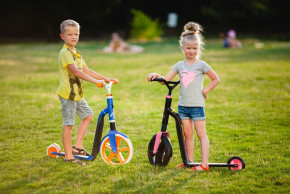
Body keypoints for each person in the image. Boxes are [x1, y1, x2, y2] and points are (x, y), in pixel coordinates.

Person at [147, 22, 220, 171]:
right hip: (183, 106)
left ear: (199, 48)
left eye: (195, 48)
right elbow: (165, 80)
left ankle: (204, 164)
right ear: (182, 48)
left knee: (201, 134)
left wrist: (205, 90)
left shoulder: (202, 65)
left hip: (197, 105)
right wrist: (155, 75)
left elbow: (216, 79)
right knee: (187, 134)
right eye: (188, 48)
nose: (191, 51)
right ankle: (189, 161)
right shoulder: (179, 65)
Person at [57, 19, 118, 165]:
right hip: (68, 95)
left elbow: (86, 69)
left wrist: (105, 78)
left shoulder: (76, 53)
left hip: (77, 94)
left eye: (76, 34)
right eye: (70, 34)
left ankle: (77, 147)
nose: (73, 37)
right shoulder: (65, 53)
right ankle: (68, 156)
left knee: (88, 115)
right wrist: (95, 82)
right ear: (62, 36)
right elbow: (76, 72)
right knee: (69, 124)